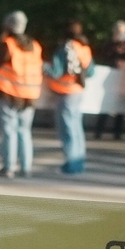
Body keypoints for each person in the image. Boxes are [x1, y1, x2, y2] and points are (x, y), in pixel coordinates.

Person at [0, 11, 42, 179]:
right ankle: (26, 168)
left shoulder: (7, 44)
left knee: (9, 132)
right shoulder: (35, 46)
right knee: (24, 132)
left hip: (9, 93)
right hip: (30, 95)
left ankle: (8, 167)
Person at [46, 20, 93, 174]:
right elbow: (91, 71)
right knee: (77, 128)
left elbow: (56, 71)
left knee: (67, 129)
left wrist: (41, 66)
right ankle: (79, 162)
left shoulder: (65, 48)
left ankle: (71, 164)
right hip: (78, 91)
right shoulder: (84, 48)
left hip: (65, 92)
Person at [92, 20, 125, 140]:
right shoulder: (109, 45)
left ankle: (118, 132)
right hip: (110, 78)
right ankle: (99, 131)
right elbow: (105, 56)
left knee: (121, 106)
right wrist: (115, 45)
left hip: (123, 77)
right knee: (105, 105)